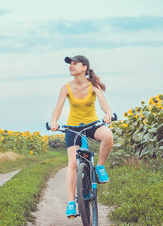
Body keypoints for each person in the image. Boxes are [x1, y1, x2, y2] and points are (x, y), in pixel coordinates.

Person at [50, 55, 114, 217]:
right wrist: (54, 122)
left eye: (75, 64)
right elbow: (58, 107)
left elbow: (104, 103)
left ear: (84, 67)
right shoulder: (66, 87)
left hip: (92, 125)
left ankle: (99, 167)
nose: (71, 66)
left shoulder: (93, 86)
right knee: (72, 163)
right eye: (70, 64)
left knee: (108, 136)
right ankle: (71, 202)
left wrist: (108, 114)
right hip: (73, 128)